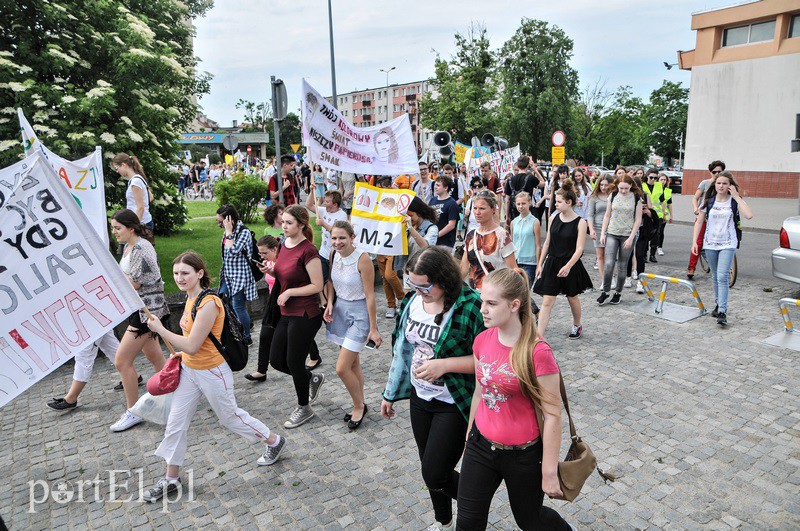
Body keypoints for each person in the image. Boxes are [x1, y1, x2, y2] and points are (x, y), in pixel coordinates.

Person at [143, 251, 286, 503]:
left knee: (230, 418)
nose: (180, 278)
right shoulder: (190, 298)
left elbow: (193, 344)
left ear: (199, 273)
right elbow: (187, 346)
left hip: (212, 372)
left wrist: (161, 329)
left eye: (185, 273)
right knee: (175, 424)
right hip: (189, 370)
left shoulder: (209, 302)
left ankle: (274, 440)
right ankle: (171, 478)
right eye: (176, 273)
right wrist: (177, 354)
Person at [456, 268, 572, 530]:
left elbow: (553, 414)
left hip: (523, 456)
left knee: (531, 521)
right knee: (467, 522)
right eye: (482, 300)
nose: (482, 309)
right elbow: (479, 393)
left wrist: (549, 471)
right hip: (481, 446)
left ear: (514, 305)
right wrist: (468, 440)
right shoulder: (482, 340)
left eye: (491, 303)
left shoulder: (537, 352)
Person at [381, 246, 485, 531]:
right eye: (411, 284)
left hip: (455, 400)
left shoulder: (471, 304)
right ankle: (444, 522)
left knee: (435, 473)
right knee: (429, 468)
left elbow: (491, 359)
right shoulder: (412, 302)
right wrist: (391, 392)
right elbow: (402, 350)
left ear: (445, 280)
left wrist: (444, 365)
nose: (417, 291)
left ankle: (478, 500)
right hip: (420, 397)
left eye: (424, 286)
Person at [106, 209, 168, 432]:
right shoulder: (129, 247)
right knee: (155, 356)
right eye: (113, 228)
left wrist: (112, 271)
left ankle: (133, 412)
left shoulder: (141, 247)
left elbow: (135, 283)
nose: (114, 232)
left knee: (122, 361)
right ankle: (179, 394)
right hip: (140, 308)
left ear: (130, 228)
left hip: (146, 311)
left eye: (117, 228)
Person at [268, 205, 326, 428]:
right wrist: (272, 272)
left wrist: (290, 291)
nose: (284, 226)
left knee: (293, 361)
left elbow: (317, 285)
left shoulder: (308, 250)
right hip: (286, 311)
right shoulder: (284, 244)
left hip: (305, 312)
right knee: (276, 360)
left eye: (289, 223)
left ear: (301, 225)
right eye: (283, 222)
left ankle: (304, 408)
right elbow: (286, 274)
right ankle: (309, 378)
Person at [324, 221, 383, 429]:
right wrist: (330, 303)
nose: (337, 242)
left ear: (351, 237)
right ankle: (360, 401)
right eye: (334, 238)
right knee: (353, 364)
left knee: (341, 368)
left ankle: (358, 406)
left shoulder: (363, 259)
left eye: (342, 238)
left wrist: (373, 327)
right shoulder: (333, 255)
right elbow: (330, 282)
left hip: (359, 314)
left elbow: (370, 296)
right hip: (340, 311)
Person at [691, 171, 753, 325]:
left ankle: (722, 312)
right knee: (715, 276)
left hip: (728, 243)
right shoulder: (708, 201)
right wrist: (694, 242)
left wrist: (737, 196)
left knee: (722, 276)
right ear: (715, 184)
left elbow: (749, 215)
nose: (721, 186)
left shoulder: (734, 201)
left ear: (730, 185)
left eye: (725, 183)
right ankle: (719, 304)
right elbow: (699, 222)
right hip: (710, 243)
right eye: (719, 183)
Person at [534, 181, 593, 339]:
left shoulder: (581, 223)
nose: (555, 204)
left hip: (570, 264)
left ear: (569, 202)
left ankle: (577, 324)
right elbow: (547, 242)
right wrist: (540, 264)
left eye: (559, 202)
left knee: (572, 297)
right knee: (547, 301)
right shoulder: (553, 217)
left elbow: (579, 248)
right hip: (552, 263)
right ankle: (539, 336)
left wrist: (568, 266)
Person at [597, 172, 643, 306]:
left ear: (631, 186)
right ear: (617, 186)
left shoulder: (636, 198)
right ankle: (605, 291)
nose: (623, 191)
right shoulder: (613, 196)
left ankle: (618, 293)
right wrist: (602, 233)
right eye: (621, 188)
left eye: (626, 188)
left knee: (622, 265)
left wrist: (631, 238)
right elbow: (607, 215)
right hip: (612, 233)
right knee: (609, 263)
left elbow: (638, 220)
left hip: (627, 235)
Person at [215, 204, 256, 346]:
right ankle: (246, 323)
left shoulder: (243, 232)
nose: (219, 224)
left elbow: (233, 251)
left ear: (229, 219)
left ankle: (247, 336)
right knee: (223, 301)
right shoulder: (229, 230)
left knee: (238, 306)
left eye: (221, 221)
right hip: (228, 274)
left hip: (240, 275)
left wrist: (228, 231)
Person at [460, 191, 517, 292]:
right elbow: (464, 266)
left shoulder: (502, 235)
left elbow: (513, 270)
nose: (477, 212)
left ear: (493, 209)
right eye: (475, 208)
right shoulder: (471, 235)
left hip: (496, 293)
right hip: (475, 295)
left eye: (482, 208)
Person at [687, 160, 725, 279]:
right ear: (710, 172)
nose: (717, 174)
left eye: (720, 171)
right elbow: (695, 198)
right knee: (698, 242)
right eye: (714, 172)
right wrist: (696, 209)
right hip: (704, 216)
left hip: (718, 218)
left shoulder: (725, 184)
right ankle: (691, 267)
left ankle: (723, 266)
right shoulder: (705, 183)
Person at [393, 196, 440, 287]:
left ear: (419, 213)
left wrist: (411, 228)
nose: (409, 219)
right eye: (407, 216)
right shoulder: (406, 227)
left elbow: (426, 246)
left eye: (411, 216)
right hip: (408, 271)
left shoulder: (431, 228)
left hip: (423, 273)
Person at [112, 153, 154, 232]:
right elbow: (150, 197)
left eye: (117, 168)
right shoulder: (138, 179)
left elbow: (140, 207)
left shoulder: (135, 182)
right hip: (144, 221)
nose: (117, 171)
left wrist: (135, 227)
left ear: (124, 165)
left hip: (141, 223)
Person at [509, 192, 541, 289]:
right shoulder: (513, 222)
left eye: (523, 203)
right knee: (515, 290)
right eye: (518, 204)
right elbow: (512, 243)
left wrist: (539, 264)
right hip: (516, 261)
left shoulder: (535, 222)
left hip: (530, 263)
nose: (521, 206)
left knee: (525, 290)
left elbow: (538, 245)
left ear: (529, 203)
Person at [587, 175, 612, 279]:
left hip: (611, 228)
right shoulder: (594, 197)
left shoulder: (613, 196)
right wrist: (591, 229)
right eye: (601, 184)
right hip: (597, 228)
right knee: (600, 256)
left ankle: (611, 275)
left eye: (606, 185)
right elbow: (590, 215)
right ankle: (603, 279)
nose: (603, 187)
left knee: (610, 256)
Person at [503, 156, 540, 224]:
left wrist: (507, 215)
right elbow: (543, 183)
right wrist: (535, 169)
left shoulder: (510, 180)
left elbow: (507, 200)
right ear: (528, 165)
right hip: (527, 210)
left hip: (514, 211)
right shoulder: (530, 178)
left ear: (517, 165)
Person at [430, 176, 460, 251]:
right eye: (435, 185)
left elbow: (451, 225)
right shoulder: (432, 200)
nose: (435, 187)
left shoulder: (452, 203)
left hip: (445, 243)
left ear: (446, 188)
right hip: (432, 242)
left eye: (438, 185)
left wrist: (436, 235)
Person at [653, 173, 674, 257]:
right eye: (661, 179)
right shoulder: (654, 189)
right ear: (657, 180)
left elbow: (670, 204)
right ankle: (651, 247)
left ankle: (659, 247)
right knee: (653, 232)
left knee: (660, 231)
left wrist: (671, 215)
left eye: (664, 180)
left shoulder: (667, 191)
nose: (663, 181)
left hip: (664, 214)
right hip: (654, 213)